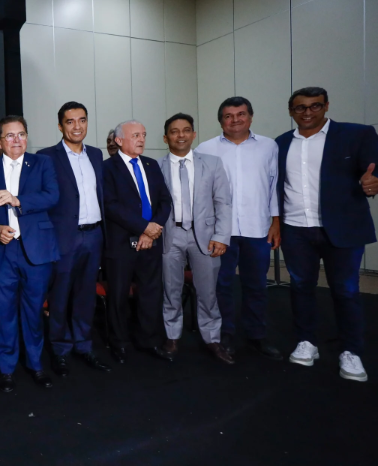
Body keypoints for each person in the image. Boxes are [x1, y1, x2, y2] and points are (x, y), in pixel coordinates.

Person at [275, 87, 378, 382]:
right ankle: (306, 341)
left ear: (326, 106)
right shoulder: (281, 143)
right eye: (300, 107)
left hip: (343, 228)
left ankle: (351, 351)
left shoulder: (356, 134)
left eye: (315, 106)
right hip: (296, 228)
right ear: (291, 111)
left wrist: (374, 182)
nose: (308, 112)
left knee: (345, 290)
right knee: (300, 287)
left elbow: (373, 170)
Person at [195, 97, 282, 360]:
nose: (235, 120)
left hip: (258, 229)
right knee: (221, 285)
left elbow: (274, 186)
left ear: (250, 117)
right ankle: (225, 334)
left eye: (241, 114)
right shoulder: (205, 149)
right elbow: (200, 193)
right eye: (228, 116)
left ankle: (256, 335)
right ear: (221, 120)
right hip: (221, 232)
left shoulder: (269, 146)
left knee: (256, 285)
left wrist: (276, 222)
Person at [0, 116, 59, 392]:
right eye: (10, 136)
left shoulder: (42, 163)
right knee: (2, 314)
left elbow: (52, 196)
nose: (17, 140)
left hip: (35, 251)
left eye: (21, 134)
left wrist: (17, 200)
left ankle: (36, 365)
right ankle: (6, 369)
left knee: (34, 312)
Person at [37, 101, 111, 376]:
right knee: (60, 297)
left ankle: (83, 345)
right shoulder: (46, 157)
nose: (77, 126)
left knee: (85, 295)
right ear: (60, 126)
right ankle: (59, 349)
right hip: (64, 238)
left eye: (82, 120)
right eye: (70, 121)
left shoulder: (96, 154)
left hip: (94, 236)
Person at [157, 113, 233, 364]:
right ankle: (172, 336)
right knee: (171, 290)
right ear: (166, 137)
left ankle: (212, 338)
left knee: (207, 291)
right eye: (174, 131)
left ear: (193, 134)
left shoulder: (212, 163)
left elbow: (223, 202)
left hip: (206, 237)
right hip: (170, 235)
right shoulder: (155, 167)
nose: (181, 135)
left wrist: (221, 236)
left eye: (186, 130)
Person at [102, 120, 174, 364]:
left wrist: (151, 230)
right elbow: (111, 205)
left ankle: (149, 340)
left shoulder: (151, 165)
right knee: (119, 295)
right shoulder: (107, 168)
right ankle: (119, 343)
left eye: (143, 134)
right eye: (135, 135)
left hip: (151, 241)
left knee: (150, 293)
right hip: (121, 243)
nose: (141, 139)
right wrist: (144, 227)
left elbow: (165, 201)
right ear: (119, 140)